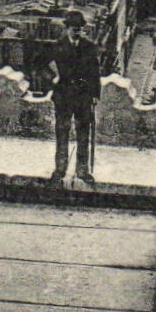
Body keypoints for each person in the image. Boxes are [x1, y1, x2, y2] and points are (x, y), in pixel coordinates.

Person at [52, 10, 100, 183]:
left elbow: (95, 71)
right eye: (74, 28)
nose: (76, 31)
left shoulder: (89, 46)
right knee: (62, 133)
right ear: (67, 28)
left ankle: (82, 170)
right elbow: (44, 67)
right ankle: (60, 169)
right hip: (64, 97)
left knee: (83, 135)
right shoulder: (58, 45)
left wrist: (95, 94)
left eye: (79, 28)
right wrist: (54, 80)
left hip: (83, 98)